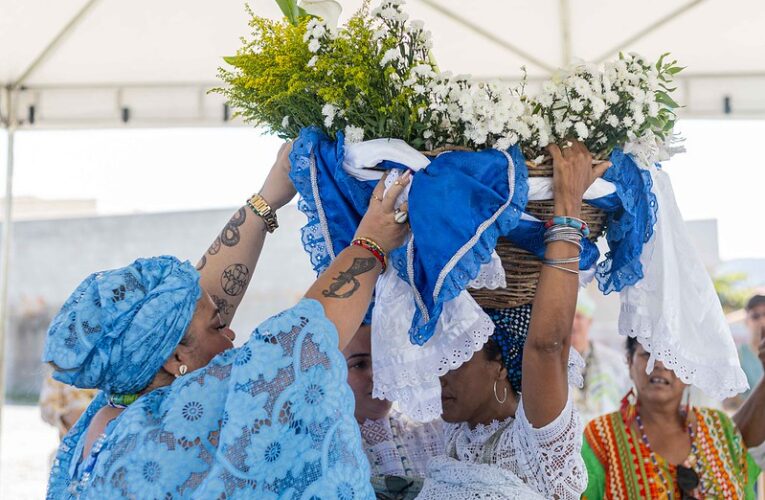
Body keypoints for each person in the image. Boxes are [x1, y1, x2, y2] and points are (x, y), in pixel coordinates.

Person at [43, 142, 411, 498]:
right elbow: (295, 350)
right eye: (218, 328)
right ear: (175, 360)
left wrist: (265, 201)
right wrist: (371, 242)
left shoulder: (117, 405)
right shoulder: (163, 433)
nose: (231, 332)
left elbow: (189, 311)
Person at [415, 141, 610, 499]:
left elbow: (547, 347)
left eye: (454, 359)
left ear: (500, 365)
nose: (439, 373)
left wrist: (568, 208)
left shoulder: (536, 441)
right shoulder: (452, 435)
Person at [582, 336, 764, 499]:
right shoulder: (601, 436)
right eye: (647, 353)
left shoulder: (718, 425)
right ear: (630, 363)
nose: (660, 363)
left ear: (689, 370)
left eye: (671, 354)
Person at [343, 323, 444, 478]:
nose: (377, 375)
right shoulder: (324, 448)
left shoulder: (432, 431)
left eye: (384, 360)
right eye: (359, 364)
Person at [570, 290, 631, 424]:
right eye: (569, 317)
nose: (573, 324)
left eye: (579, 316)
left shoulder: (613, 361)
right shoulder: (554, 362)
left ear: (589, 321)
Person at [740, 294, 765, 397]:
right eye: (755, 316)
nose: (762, 321)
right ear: (746, 321)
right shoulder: (738, 356)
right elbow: (731, 402)